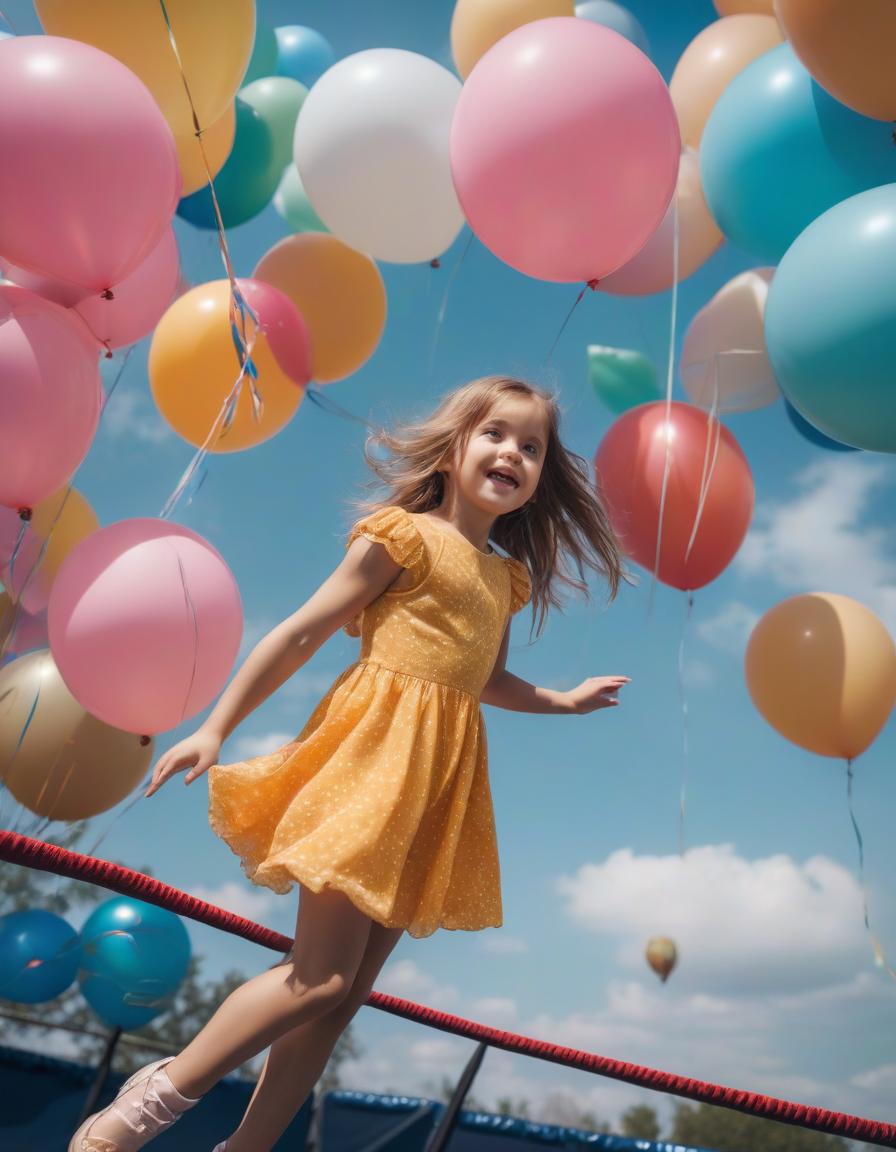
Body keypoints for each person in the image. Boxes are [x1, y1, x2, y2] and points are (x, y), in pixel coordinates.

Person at [70, 375, 630, 1152]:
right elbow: (300, 632)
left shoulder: (506, 578)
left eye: (532, 447)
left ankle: (251, 1145)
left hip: (435, 788)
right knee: (320, 977)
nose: (514, 454)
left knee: (339, 1002)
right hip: (372, 763)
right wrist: (217, 727)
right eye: (497, 434)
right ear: (454, 446)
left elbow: (483, 678)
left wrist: (561, 701)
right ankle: (144, 1109)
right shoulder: (402, 536)